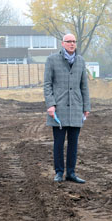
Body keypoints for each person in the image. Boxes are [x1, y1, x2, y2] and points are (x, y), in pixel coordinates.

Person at [44, 33, 91, 183]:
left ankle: (71, 173)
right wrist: (50, 104)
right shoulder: (52, 60)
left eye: (74, 41)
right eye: (68, 41)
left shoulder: (80, 61)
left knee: (73, 143)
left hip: (76, 108)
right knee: (58, 143)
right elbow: (47, 84)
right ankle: (59, 172)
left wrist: (86, 106)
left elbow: (84, 86)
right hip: (59, 109)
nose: (72, 44)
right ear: (62, 43)